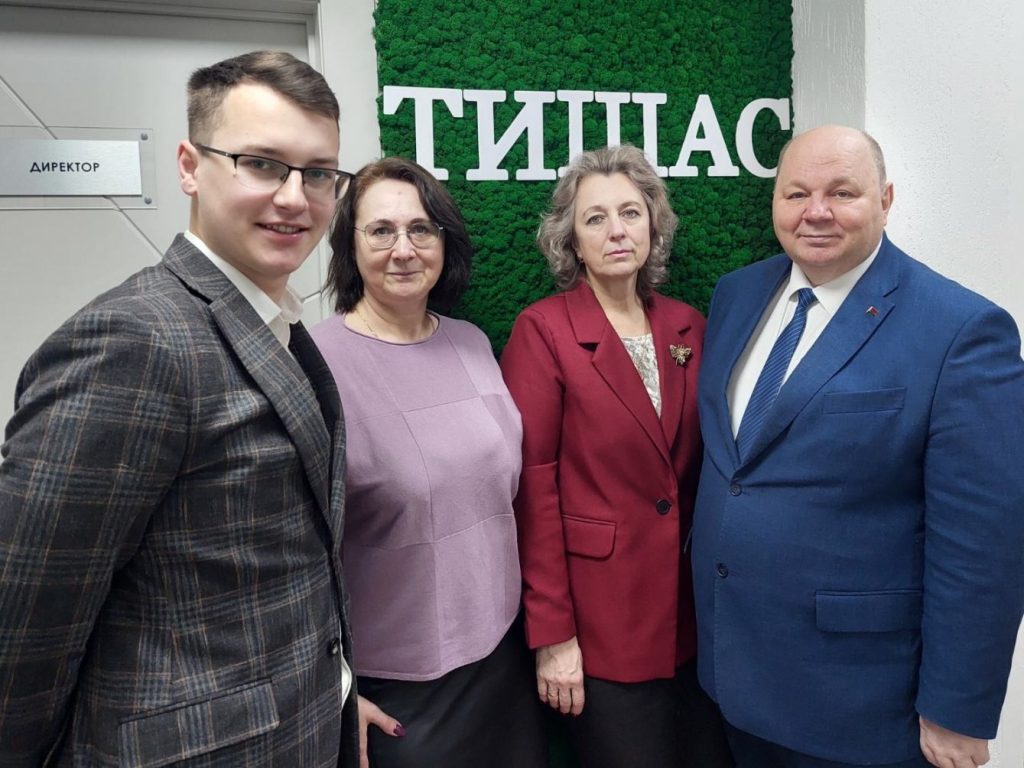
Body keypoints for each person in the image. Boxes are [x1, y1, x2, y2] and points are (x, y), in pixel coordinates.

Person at [0, 51, 359, 766]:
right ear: (190, 167)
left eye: (319, 172)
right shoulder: (134, 339)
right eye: (262, 164)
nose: (296, 198)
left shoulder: (274, 322)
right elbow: (24, 615)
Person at [692, 125, 1024, 768]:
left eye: (842, 192)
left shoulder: (961, 331)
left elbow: (985, 544)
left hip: (861, 705)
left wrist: (957, 709)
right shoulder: (737, 294)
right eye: (797, 194)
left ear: (886, 199)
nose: (815, 211)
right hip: (733, 678)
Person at [500, 145, 733, 768]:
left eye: (630, 212)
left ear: (652, 225)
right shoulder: (543, 330)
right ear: (572, 241)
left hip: (693, 624)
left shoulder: (689, 326)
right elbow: (531, 490)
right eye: (595, 218)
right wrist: (553, 637)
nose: (616, 230)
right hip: (602, 627)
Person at [310, 157, 546, 768]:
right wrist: (334, 688)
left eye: (421, 229)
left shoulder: (470, 342)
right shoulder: (315, 363)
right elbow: (287, 552)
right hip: (397, 688)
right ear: (350, 245)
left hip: (502, 660)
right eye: (380, 230)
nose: (403, 249)